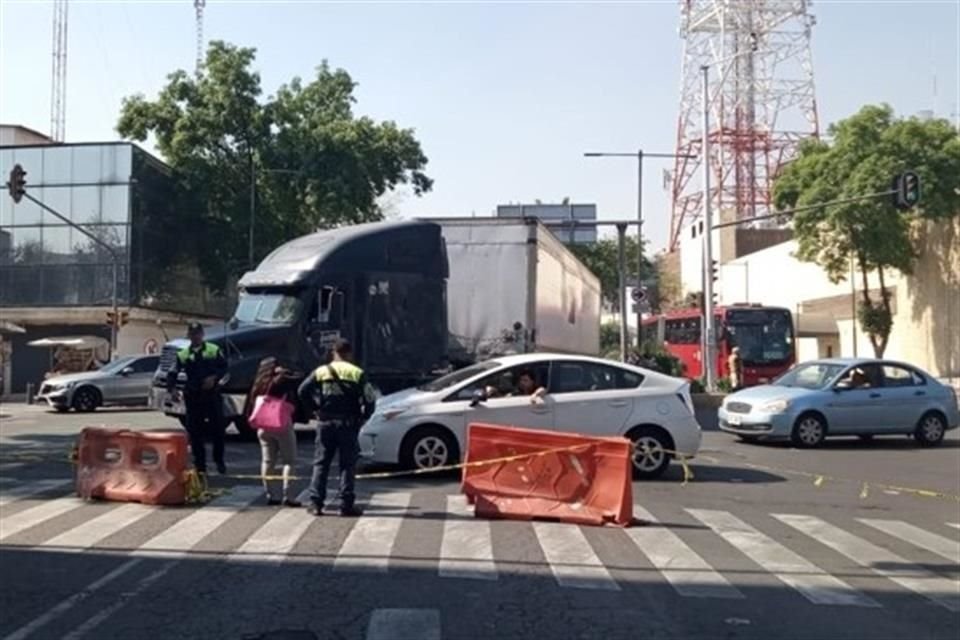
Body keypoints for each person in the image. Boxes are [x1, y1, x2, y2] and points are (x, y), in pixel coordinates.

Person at [298, 339, 377, 517]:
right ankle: (345, 505)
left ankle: (316, 503)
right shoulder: (357, 373)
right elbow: (370, 399)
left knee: (321, 463)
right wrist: (364, 417)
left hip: (325, 422)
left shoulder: (321, 371)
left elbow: (302, 390)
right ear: (349, 354)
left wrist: (314, 409)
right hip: (348, 423)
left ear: (334, 352)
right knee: (347, 465)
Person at [167, 323, 228, 475]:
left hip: (212, 395)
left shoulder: (213, 350)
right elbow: (172, 373)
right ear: (189, 335)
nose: (195, 336)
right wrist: (172, 389)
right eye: (192, 334)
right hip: (193, 396)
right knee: (195, 433)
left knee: (218, 430)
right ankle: (200, 465)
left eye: (197, 333)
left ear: (202, 334)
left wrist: (214, 378)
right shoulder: (183, 354)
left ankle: (219, 461)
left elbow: (225, 368)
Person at [257, 367, 301, 507]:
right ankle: (289, 496)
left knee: (267, 462)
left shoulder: (261, 384)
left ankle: (271, 495)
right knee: (289, 461)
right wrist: (284, 372)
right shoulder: (282, 382)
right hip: (282, 424)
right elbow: (300, 378)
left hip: (263, 426)